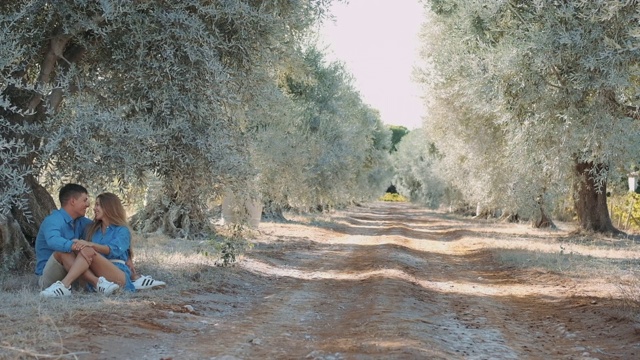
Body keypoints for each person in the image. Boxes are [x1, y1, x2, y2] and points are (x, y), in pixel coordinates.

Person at [35, 183, 166, 292]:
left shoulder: (84, 224)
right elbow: (53, 240)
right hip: (51, 274)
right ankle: (91, 283)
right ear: (73, 201)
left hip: (81, 272)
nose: (89, 205)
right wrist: (76, 245)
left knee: (84, 249)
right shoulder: (53, 220)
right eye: (85, 200)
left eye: (97, 204)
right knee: (65, 251)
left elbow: (115, 242)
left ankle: (82, 285)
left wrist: (128, 257)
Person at [40, 192, 134, 297]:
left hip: (117, 272)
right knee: (72, 251)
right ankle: (90, 284)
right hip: (95, 273)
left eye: (98, 205)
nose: (94, 208)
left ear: (108, 207)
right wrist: (78, 244)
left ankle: (64, 284)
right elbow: (80, 246)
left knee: (88, 250)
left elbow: (113, 249)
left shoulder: (122, 230)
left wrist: (89, 245)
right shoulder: (91, 229)